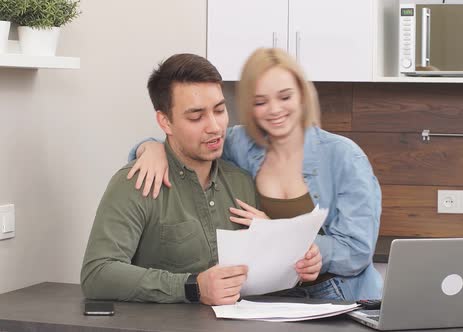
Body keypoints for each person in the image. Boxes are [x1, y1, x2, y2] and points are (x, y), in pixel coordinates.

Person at [128, 48, 383, 301]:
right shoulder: (240, 144)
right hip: (268, 298)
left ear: (303, 96)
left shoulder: (345, 157)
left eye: (285, 97)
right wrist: (149, 148)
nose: (274, 110)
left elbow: (357, 252)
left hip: (340, 296)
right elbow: (187, 145)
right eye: (261, 102)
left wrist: (280, 235)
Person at [80, 53, 321, 305]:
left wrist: (296, 263)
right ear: (165, 121)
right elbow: (98, 274)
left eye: (219, 110)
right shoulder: (135, 183)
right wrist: (192, 287)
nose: (215, 127)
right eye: (196, 117)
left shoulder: (242, 182)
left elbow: (261, 274)